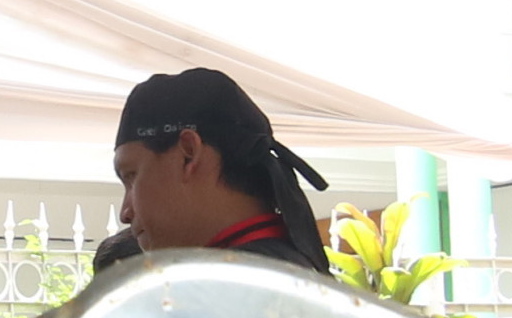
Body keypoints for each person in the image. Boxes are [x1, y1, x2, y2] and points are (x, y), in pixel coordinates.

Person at [93, 66, 334, 271]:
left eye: (131, 176)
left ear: (188, 154)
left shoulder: (223, 291)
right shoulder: (285, 271)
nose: (125, 213)